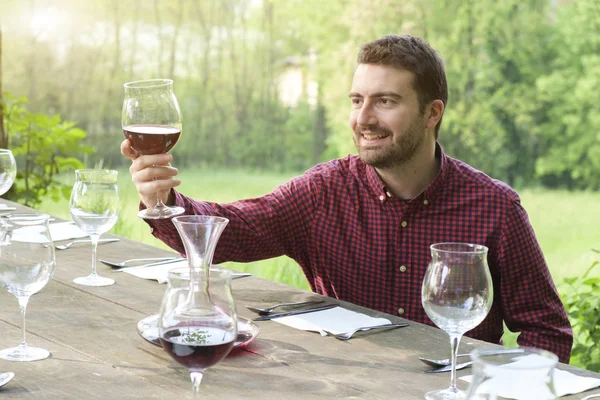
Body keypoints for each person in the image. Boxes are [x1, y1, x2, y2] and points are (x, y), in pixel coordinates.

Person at [121, 34, 573, 363]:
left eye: (386, 101)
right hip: (343, 386)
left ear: (432, 112)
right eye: (357, 100)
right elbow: (230, 231)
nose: (364, 118)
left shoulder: (494, 208)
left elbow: (547, 330)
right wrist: (164, 198)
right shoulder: (323, 191)